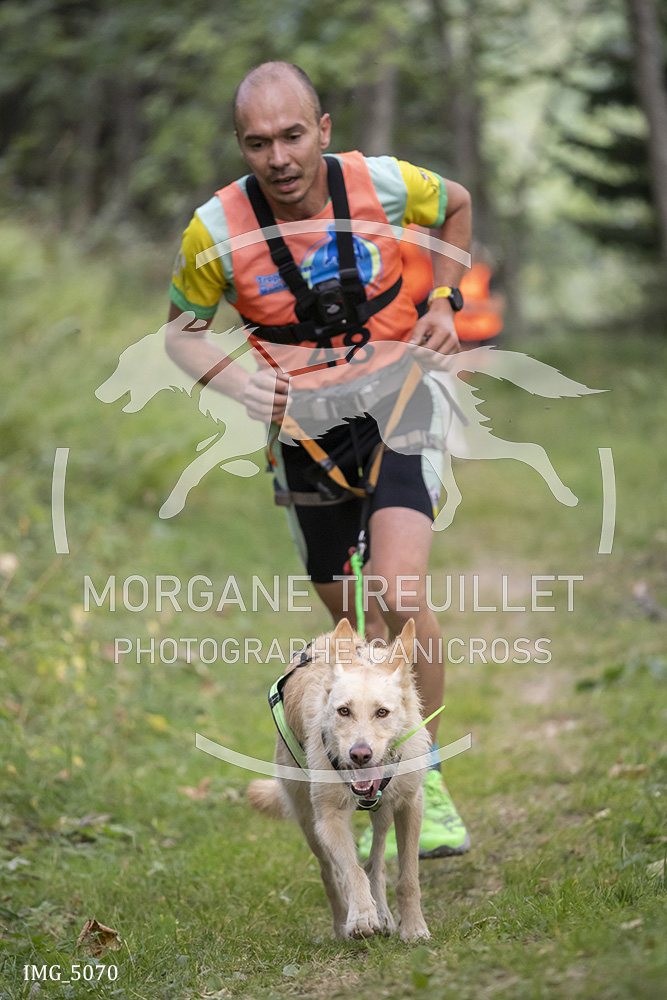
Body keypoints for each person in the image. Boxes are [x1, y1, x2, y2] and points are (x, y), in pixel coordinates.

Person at [166, 61, 472, 860]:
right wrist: (236, 382)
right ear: (241, 146)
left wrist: (444, 300)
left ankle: (425, 774)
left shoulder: (381, 183)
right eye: (257, 142)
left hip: (399, 402)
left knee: (397, 591)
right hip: (304, 438)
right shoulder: (215, 229)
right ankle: (358, 765)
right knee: (348, 624)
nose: (278, 158)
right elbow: (180, 332)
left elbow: (456, 205)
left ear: (323, 130)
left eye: (293, 135)